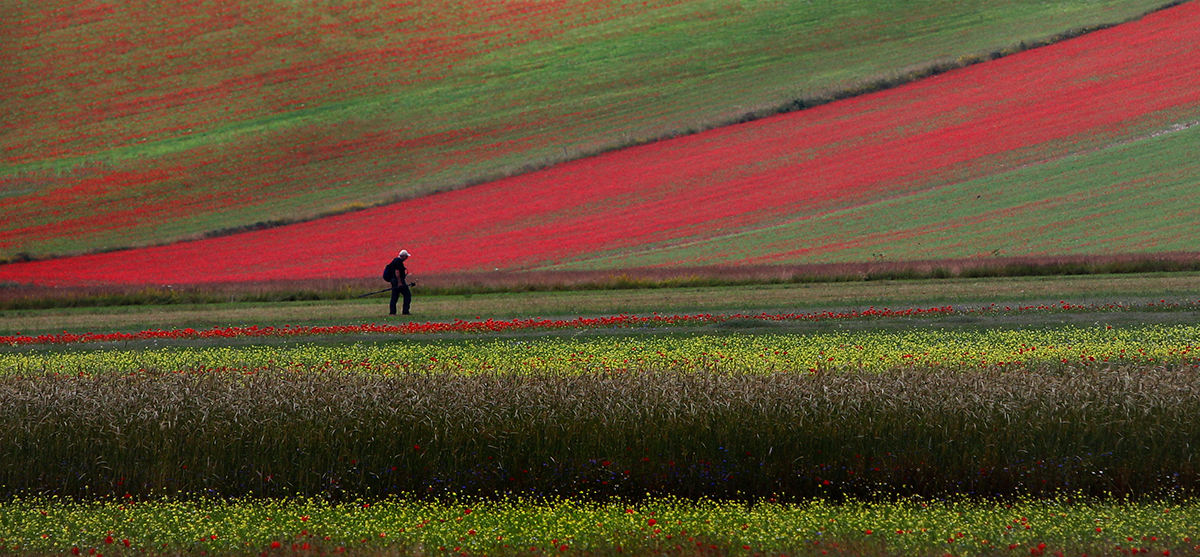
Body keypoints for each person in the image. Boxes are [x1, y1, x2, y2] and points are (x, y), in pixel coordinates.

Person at [383, 250, 413, 315]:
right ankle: (405, 311)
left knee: (395, 296)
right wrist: (399, 282)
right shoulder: (398, 261)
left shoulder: (395, 260)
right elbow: (397, 272)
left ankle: (392, 312)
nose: (406, 258)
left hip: (393, 280)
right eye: (406, 256)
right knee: (407, 294)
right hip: (397, 280)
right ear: (403, 256)